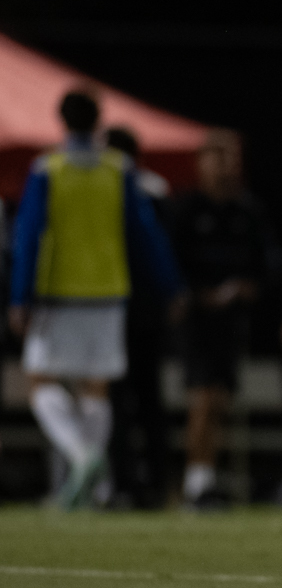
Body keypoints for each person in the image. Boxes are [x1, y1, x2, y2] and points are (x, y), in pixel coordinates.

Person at [8, 91, 182, 509]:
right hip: (107, 293)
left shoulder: (48, 169)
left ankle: (83, 456)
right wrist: (170, 286)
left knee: (38, 381)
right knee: (96, 387)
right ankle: (97, 486)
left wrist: (19, 296)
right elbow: (145, 236)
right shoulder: (118, 169)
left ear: (62, 121)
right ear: (98, 121)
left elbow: (28, 237)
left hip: (58, 293)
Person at [172, 129, 272, 509]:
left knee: (220, 403)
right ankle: (196, 484)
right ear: (201, 164)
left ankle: (205, 478)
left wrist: (249, 288)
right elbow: (173, 265)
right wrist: (198, 295)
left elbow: (267, 264)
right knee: (203, 399)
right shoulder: (187, 209)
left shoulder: (247, 211)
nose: (225, 167)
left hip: (231, 322)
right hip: (196, 319)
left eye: (230, 159)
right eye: (217, 158)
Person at [104, 126, 173, 509]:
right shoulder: (153, 189)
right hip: (143, 311)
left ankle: (126, 485)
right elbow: (162, 250)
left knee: (121, 402)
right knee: (147, 402)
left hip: (113, 308)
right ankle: (153, 484)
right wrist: (171, 291)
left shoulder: (124, 187)